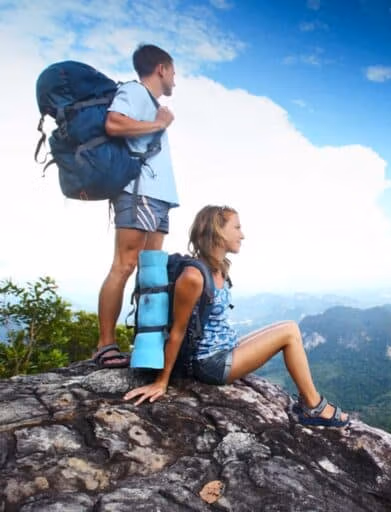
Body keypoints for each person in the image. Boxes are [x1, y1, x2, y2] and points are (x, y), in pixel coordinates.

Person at [123, 206, 350, 428]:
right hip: (210, 364)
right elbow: (178, 331)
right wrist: (161, 383)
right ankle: (313, 406)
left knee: (289, 325)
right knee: (289, 333)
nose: (243, 234)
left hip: (224, 348)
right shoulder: (193, 276)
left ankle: (310, 402)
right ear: (218, 231)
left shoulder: (219, 267)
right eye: (237, 227)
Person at [92, 44, 179, 369]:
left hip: (158, 196)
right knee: (125, 264)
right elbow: (113, 124)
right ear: (161, 68)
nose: (174, 80)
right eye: (173, 72)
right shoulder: (134, 91)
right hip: (138, 192)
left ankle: (147, 346)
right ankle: (104, 345)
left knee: (152, 271)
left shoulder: (152, 103)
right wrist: (158, 124)